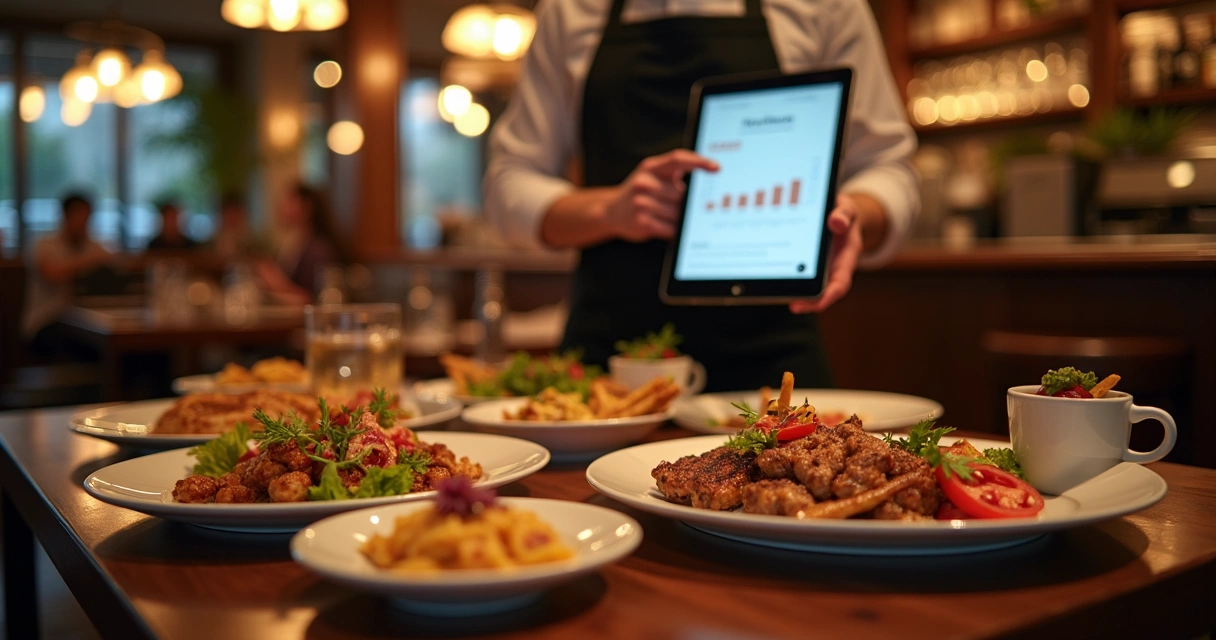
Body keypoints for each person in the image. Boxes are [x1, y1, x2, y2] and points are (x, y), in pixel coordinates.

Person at [484, 0, 919, 391]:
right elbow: (508, 182)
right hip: (611, 370)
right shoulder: (571, 10)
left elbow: (889, 168)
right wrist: (609, 210)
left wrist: (854, 214)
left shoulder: (826, 7)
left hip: (773, 359)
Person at [22, 193, 112, 356]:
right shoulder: (44, 243)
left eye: (87, 217)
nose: (84, 222)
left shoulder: (91, 245)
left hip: (85, 323)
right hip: (46, 321)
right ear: (65, 215)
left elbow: (117, 265)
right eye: (80, 216)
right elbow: (52, 275)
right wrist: (88, 261)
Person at [256, 183, 344, 305]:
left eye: (289, 201)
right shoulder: (293, 244)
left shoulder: (317, 251)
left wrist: (277, 283)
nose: (281, 206)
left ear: (307, 207)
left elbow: (313, 299)